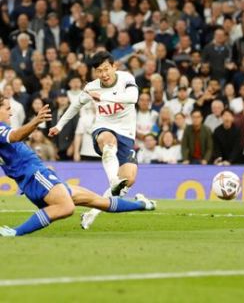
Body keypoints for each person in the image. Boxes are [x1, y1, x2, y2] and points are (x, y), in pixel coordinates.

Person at [0, 96, 155, 237]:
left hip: (38, 175)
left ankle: (143, 204)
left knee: (99, 201)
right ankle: (16, 232)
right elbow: (15, 136)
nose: (11, 113)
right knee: (66, 207)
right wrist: (36, 121)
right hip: (34, 175)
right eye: (7, 108)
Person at [49, 51, 140, 230]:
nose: (104, 74)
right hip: (103, 128)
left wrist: (103, 97)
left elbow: (133, 98)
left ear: (114, 67)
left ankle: (91, 213)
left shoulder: (126, 78)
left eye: (106, 69)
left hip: (127, 134)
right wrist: (59, 126)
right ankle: (113, 179)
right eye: (99, 71)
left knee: (128, 180)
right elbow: (75, 105)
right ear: (94, 73)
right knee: (108, 141)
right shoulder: (92, 87)